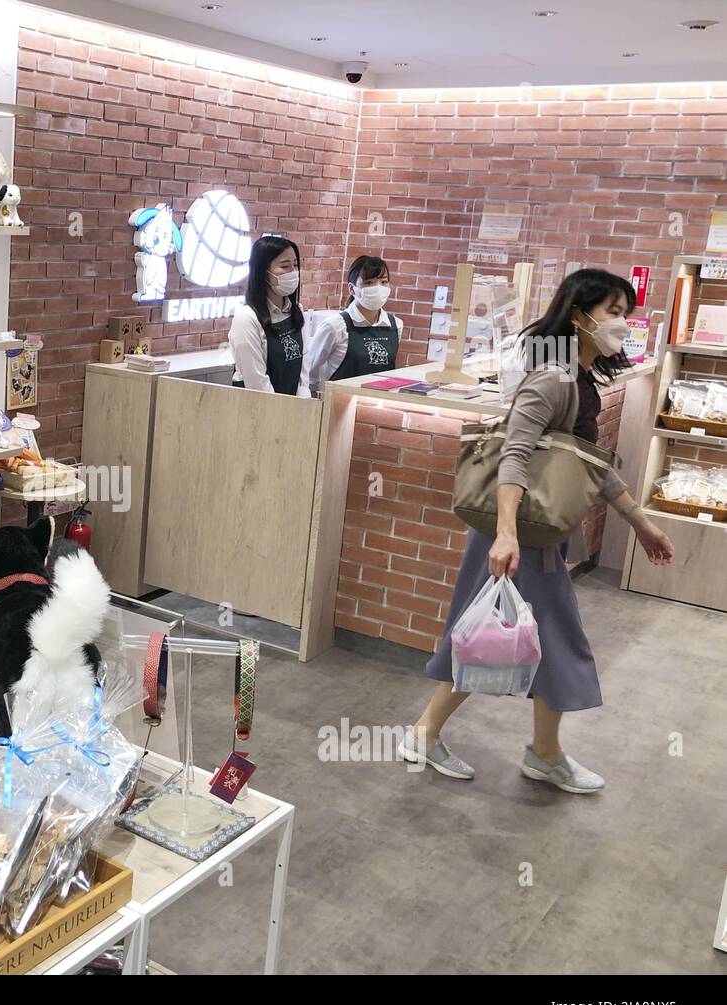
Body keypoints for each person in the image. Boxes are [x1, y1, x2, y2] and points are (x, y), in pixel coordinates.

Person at [403, 269, 675, 792]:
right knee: (531, 638)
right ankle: (514, 749)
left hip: (532, 535)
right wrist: (506, 533)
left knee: (519, 637)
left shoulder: (580, 378)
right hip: (518, 536)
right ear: (580, 316)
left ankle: (507, 746)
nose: (624, 324)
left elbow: (589, 465)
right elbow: (515, 454)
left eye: (627, 314)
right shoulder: (553, 379)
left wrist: (639, 521)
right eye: (614, 312)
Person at [305, 254, 401, 395]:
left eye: (383, 282)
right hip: (339, 405)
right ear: (351, 288)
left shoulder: (396, 325)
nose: (378, 288)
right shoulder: (335, 326)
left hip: (378, 406)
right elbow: (309, 369)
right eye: (369, 283)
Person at [228, 235, 311, 395]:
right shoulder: (247, 319)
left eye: (295, 265)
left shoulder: (296, 310)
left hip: (294, 409)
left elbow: (304, 365)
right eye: (285, 266)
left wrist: (303, 403)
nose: (293, 272)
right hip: (259, 410)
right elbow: (256, 382)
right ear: (263, 272)